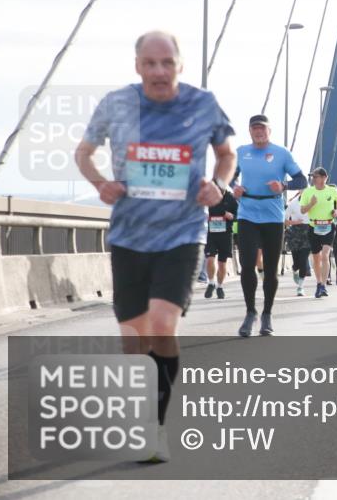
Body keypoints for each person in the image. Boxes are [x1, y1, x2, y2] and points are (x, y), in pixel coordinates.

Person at [74, 30, 236, 463]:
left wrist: (218, 185)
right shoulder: (116, 104)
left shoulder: (202, 103)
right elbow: (84, 152)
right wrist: (100, 183)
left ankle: (155, 425)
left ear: (180, 65)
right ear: (137, 66)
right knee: (133, 337)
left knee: (162, 325)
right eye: (150, 63)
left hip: (183, 232)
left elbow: (225, 153)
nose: (159, 71)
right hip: (129, 235)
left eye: (167, 62)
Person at [233, 114, 307, 337]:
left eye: (262, 129)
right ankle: (250, 312)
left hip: (273, 216)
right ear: (249, 131)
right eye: (255, 129)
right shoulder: (241, 152)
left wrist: (283, 186)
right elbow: (228, 176)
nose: (259, 132)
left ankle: (267, 314)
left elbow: (302, 180)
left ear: (269, 131)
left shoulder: (281, 153)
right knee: (247, 266)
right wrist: (234, 187)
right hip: (247, 213)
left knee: (271, 270)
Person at [300, 167, 337, 298]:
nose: (313, 179)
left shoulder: (332, 190)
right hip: (314, 226)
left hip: (329, 226)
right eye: (312, 177)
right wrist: (311, 204)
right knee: (316, 257)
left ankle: (324, 285)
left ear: (325, 178)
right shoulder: (308, 192)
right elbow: (302, 210)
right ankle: (318, 283)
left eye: (316, 176)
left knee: (325, 255)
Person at [204, 187, 238, 299]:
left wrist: (232, 216)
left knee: (222, 263)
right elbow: (200, 210)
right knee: (210, 259)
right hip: (211, 234)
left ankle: (219, 287)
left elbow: (240, 215)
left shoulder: (231, 198)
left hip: (226, 235)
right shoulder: (209, 196)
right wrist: (205, 216)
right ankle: (211, 283)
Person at [284, 192, 312, 296]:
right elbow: (285, 220)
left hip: (308, 232)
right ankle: (294, 269)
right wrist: (296, 222)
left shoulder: (312, 204)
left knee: (303, 260)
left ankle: (300, 287)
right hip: (295, 233)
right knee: (297, 262)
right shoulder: (293, 204)